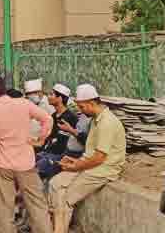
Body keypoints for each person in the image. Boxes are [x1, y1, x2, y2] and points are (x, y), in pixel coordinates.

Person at [0, 76, 54, 233]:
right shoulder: (23, 104)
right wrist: (40, 139)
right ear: (4, 87)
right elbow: (47, 119)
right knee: (37, 205)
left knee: (5, 207)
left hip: (2, 164)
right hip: (26, 163)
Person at [50, 84, 126, 233]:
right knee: (55, 184)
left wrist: (76, 166)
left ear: (92, 103)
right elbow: (90, 153)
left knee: (65, 199)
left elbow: (99, 158)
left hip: (103, 169)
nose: (80, 111)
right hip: (89, 164)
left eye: (82, 107)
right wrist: (74, 162)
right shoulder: (95, 119)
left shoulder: (107, 122)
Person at [36, 84, 78, 181]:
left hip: (60, 156)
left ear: (59, 98)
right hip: (48, 152)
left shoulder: (71, 117)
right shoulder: (54, 116)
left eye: (51, 94)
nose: (48, 97)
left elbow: (64, 143)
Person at [25, 79, 55, 145]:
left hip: (42, 140)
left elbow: (51, 122)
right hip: (30, 139)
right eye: (27, 94)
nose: (29, 96)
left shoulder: (48, 104)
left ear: (39, 92)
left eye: (31, 93)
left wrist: (42, 138)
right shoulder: (29, 103)